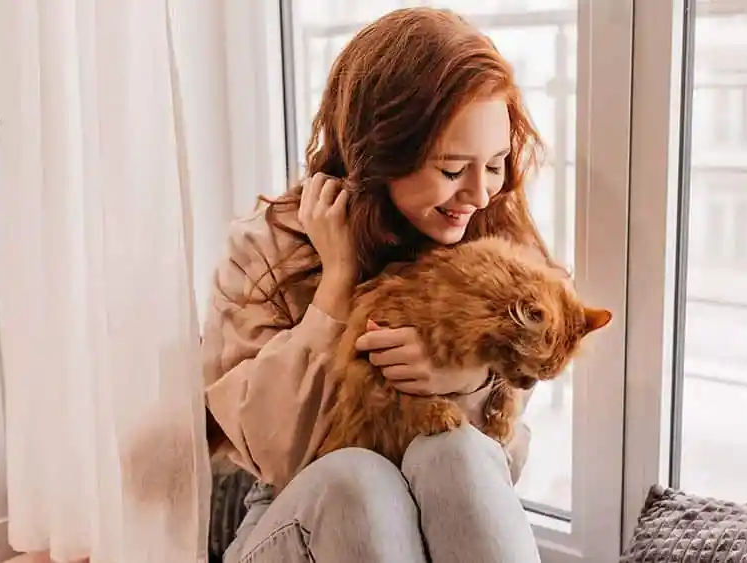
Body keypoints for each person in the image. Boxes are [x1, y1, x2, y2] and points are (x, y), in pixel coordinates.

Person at [203, 7, 557, 563]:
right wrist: (336, 284)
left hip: (434, 525)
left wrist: (467, 377)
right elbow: (274, 451)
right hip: (300, 521)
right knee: (357, 481)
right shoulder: (267, 245)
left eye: (495, 165)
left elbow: (498, 470)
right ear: (382, 150)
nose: (481, 194)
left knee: (457, 452)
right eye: (451, 168)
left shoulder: (493, 242)